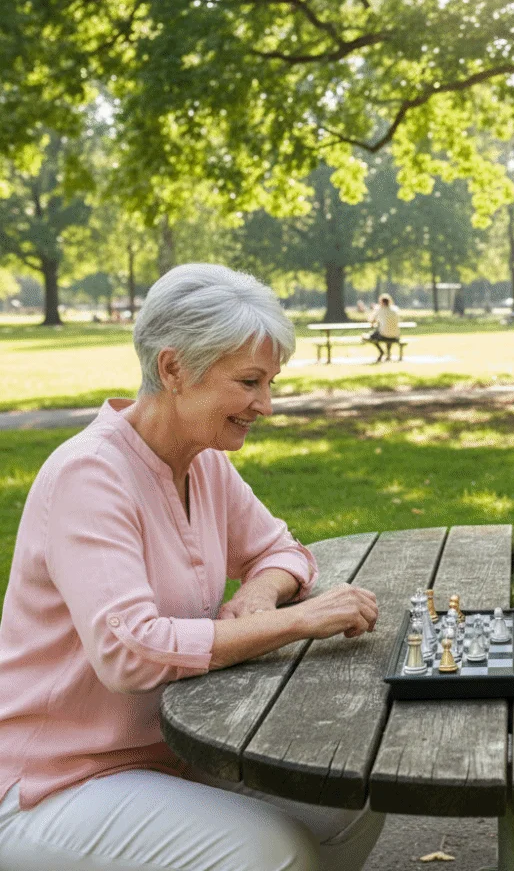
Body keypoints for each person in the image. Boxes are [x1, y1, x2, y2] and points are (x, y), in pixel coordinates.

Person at [0, 264, 384, 871]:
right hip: (53, 780)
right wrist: (294, 622)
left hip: (174, 753)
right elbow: (130, 653)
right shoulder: (90, 475)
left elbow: (282, 551)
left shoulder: (202, 462)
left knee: (351, 793)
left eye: (270, 383)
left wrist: (260, 595)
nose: (267, 405)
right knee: (269, 853)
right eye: (250, 382)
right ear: (174, 368)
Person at [365, 292, 401, 362]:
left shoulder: (379, 309)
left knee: (371, 336)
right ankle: (388, 354)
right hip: (396, 335)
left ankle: (381, 352)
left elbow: (371, 320)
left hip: (384, 335)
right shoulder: (395, 309)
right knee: (388, 332)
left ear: (381, 302)